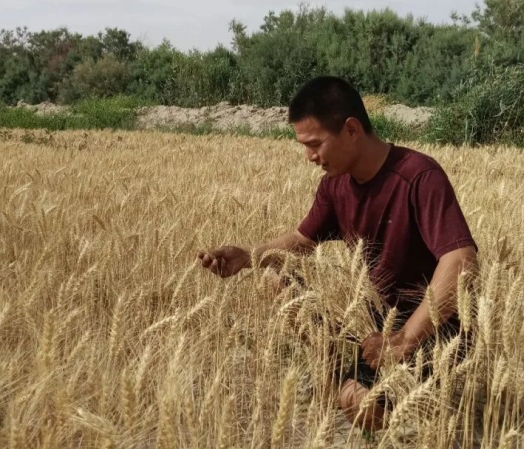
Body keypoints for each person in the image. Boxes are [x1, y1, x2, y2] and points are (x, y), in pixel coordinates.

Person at [196, 76, 479, 433]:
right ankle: (338, 366)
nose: (309, 157)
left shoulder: (418, 176)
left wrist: (406, 339)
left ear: (351, 129)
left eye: (315, 144)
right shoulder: (334, 184)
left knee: (359, 404)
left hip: (433, 332)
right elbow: (302, 241)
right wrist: (248, 256)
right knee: (275, 281)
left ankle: (408, 409)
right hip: (374, 325)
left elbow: (461, 260)